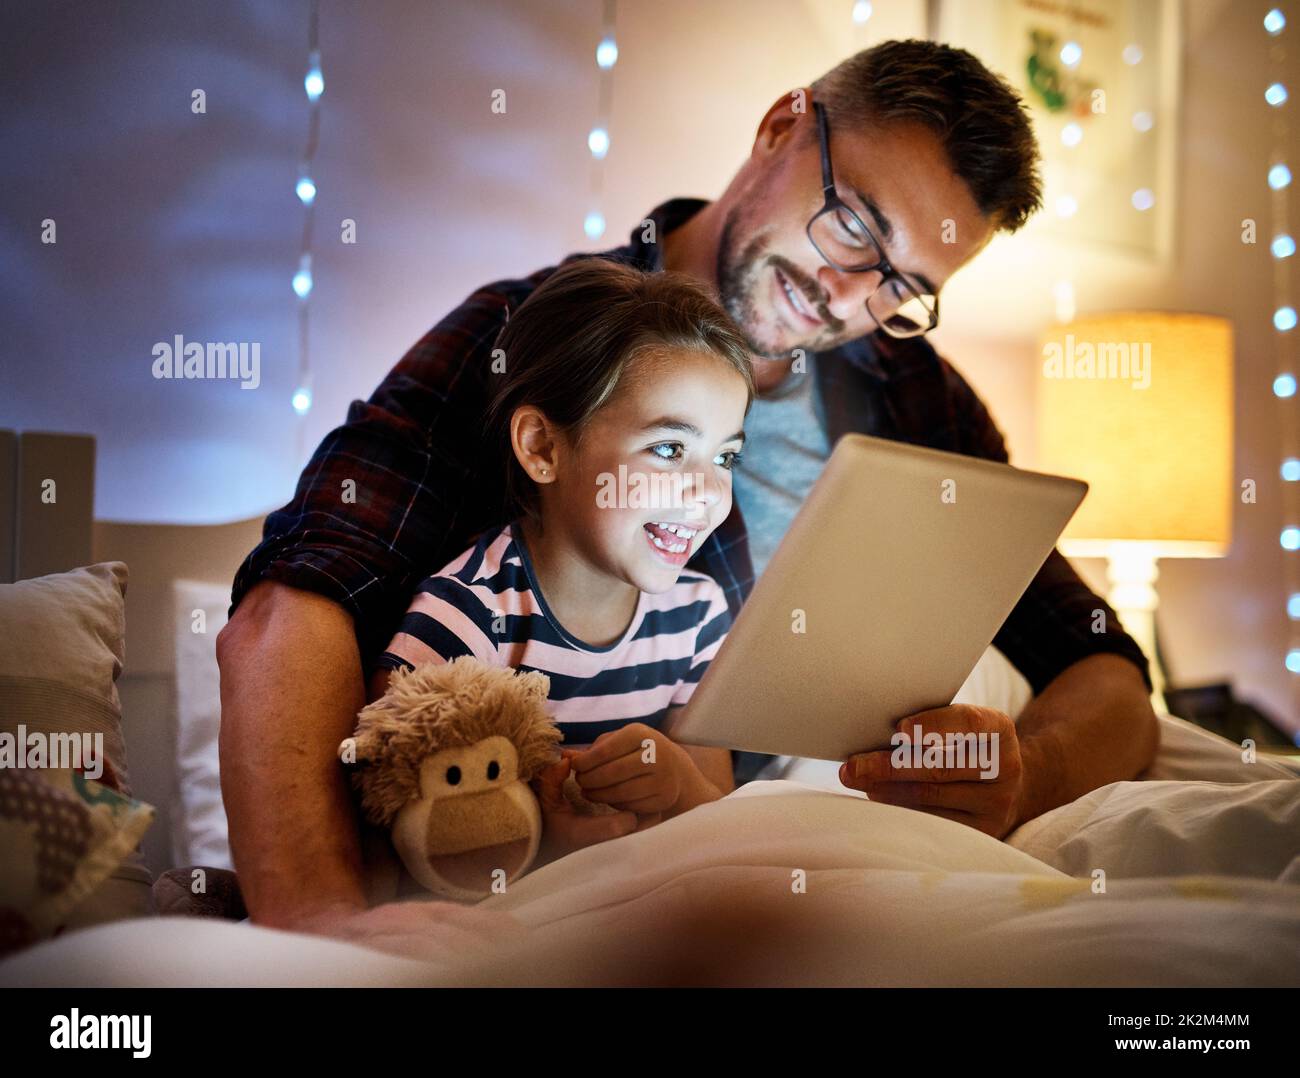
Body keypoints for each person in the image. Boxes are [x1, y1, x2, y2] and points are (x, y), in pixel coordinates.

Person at [217, 40, 1158, 953]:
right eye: (855, 226)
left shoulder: (921, 398)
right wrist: (319, 925)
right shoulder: (536, 341)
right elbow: (293, 603)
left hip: (835, 863)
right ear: (782, 125)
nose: (845, 293)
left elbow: (1105, 667)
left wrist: (1028, 774)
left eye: (901, 284)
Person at [368, 259, 751, 865]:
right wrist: (542, 843)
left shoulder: (698, 614)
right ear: (543, 448)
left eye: (725, 457)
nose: (708, 493)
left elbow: (718, 828)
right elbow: (400, 847)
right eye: (670, 448)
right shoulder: (465, 616)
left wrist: (681, 788)